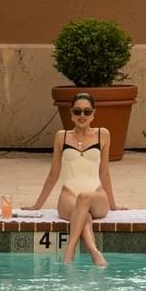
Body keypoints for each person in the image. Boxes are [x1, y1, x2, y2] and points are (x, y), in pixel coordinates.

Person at [27, 90, 120, 267]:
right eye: (77, 111)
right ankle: (95, 253)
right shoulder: (61, 137)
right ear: (71, 114)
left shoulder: (103, 134)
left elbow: (105, 173)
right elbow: (53, 174)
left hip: (96, 195)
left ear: (93, 114)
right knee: (82, 214)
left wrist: (114, 205)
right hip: (68, 195)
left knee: (84, 198)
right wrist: (36, 205)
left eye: (87, 111)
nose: (82, 115)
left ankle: (69, 252)